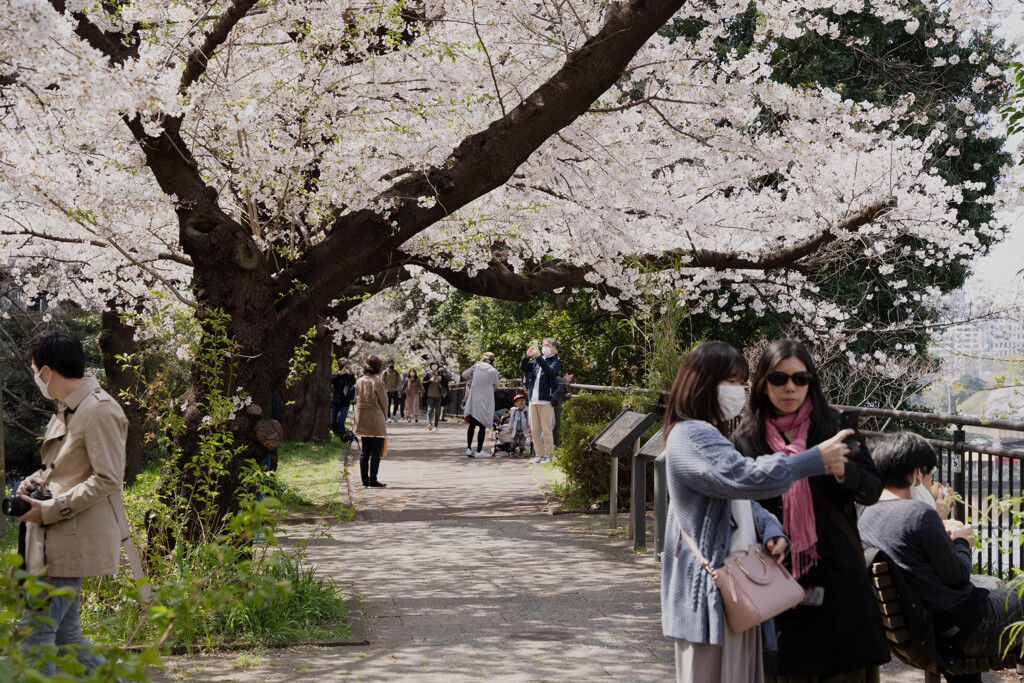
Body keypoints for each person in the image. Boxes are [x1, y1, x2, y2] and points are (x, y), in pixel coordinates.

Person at [661, 341, 854, 683]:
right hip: (714, 596)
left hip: (734, 590)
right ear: (703, 383)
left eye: (741, 382)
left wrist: (770, 528)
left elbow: (737, 499)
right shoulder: (693, 434)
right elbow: (745, 479)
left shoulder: (702, 432)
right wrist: (813, 459)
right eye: (731, 382)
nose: (738, 391)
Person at [731, 339, 890, 681]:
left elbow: (873, 490)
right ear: (762, 383)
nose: (790, 387)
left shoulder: (833, 427)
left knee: (845, 667)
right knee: (788, 666)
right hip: (778, 572)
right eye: (779, 379)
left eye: (800, 379)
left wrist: (842, 470)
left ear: (811, 383)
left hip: (837, 572)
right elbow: (743, 502)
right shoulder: (747, 438)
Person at [859, 432, 1023, 683]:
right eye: (930, 475)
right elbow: (958, 576)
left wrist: (939, 517)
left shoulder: (867, 514)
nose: (930, 482)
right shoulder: (918, 513)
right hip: (966, 630)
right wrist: (961, 541)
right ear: (916, 473)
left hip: (926, 630)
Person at [17, 332, 131, 676]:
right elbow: (69, 468)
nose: (36, 377)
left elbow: (108, 477)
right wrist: (38, 479)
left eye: (36, 370)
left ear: (48, 371)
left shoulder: (99, 410)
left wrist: (49, 509)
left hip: (67, 540)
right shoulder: (70, 408)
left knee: (34, 636)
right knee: (67, 639)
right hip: (55, 539)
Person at [521, 337, 562, 464]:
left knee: (546, 429)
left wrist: (538, 357)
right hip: (533, 400)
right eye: (543, 345)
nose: (544, 347)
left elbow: (550, 371)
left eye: (547, 345)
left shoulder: (556, 362)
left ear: (554, 349)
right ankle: (538, 454)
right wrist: (527, 357)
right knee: (534, 429)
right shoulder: (536, 361)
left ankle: (548, 455)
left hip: (546, 401)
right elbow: (523, 367)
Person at [353, 355, 388, 488]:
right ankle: (373, 480)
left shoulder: (359, 381)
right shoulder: (378, 382)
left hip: (362, 418)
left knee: (364, 452)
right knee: (376, 453)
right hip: (376, 418)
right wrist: (384, 417)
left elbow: (356, 399)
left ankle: (364, 480)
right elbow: (384, 402)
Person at [461, 352, 501, 457]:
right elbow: (497, 385)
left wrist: (474, 379)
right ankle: (479, 451)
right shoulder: (493, 371)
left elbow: (464, 374)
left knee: (472, 425)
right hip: (485, 402)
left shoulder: (476, 367)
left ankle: (469, 448)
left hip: (473, 401)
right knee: (482, 426)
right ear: (492, 361)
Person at [330, 360, 356, 436]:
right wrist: (339, 374)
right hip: (334, 403)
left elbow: (353, 382)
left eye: (344, 364)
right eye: (341, 364)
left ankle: (343, 438)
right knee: (333, 423)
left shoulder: (348, 377)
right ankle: (337, 438)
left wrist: (351, 371)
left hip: (344, 403)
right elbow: (331, 381)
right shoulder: (335, 375)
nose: (343, 366)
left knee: (340, 422)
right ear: (338, 365)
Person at [423, 361, 448, 431]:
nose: (434, 366)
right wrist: (430, 381)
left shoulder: (440, 374)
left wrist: (442, 379)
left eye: (435, 365)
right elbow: (423, 383)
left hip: (438, 396)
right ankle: (429, 423)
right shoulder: (427, 374)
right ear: (430, 366)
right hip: (429, 395)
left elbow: (446, 383)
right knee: (430, 409)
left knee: (437, 411)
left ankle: (436, 426)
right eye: (433, 365)